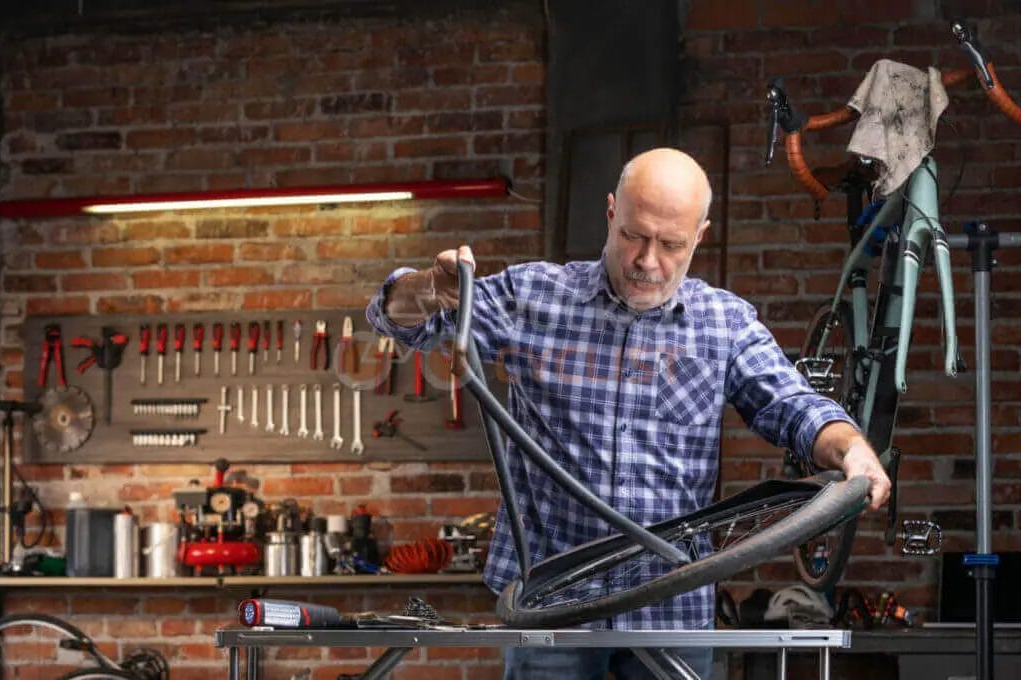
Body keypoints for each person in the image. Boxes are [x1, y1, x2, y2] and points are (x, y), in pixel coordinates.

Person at [366, 148, 891, 680]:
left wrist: (852, 449)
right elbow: (398, 321)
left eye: (671, 245)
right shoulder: (536, 297)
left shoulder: (724, 323)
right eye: (635, 235)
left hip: (670, 604)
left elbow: (792, 407)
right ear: (611, 212)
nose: (647, 261)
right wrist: (426, 290)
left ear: (700, 236)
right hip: (553, 599)